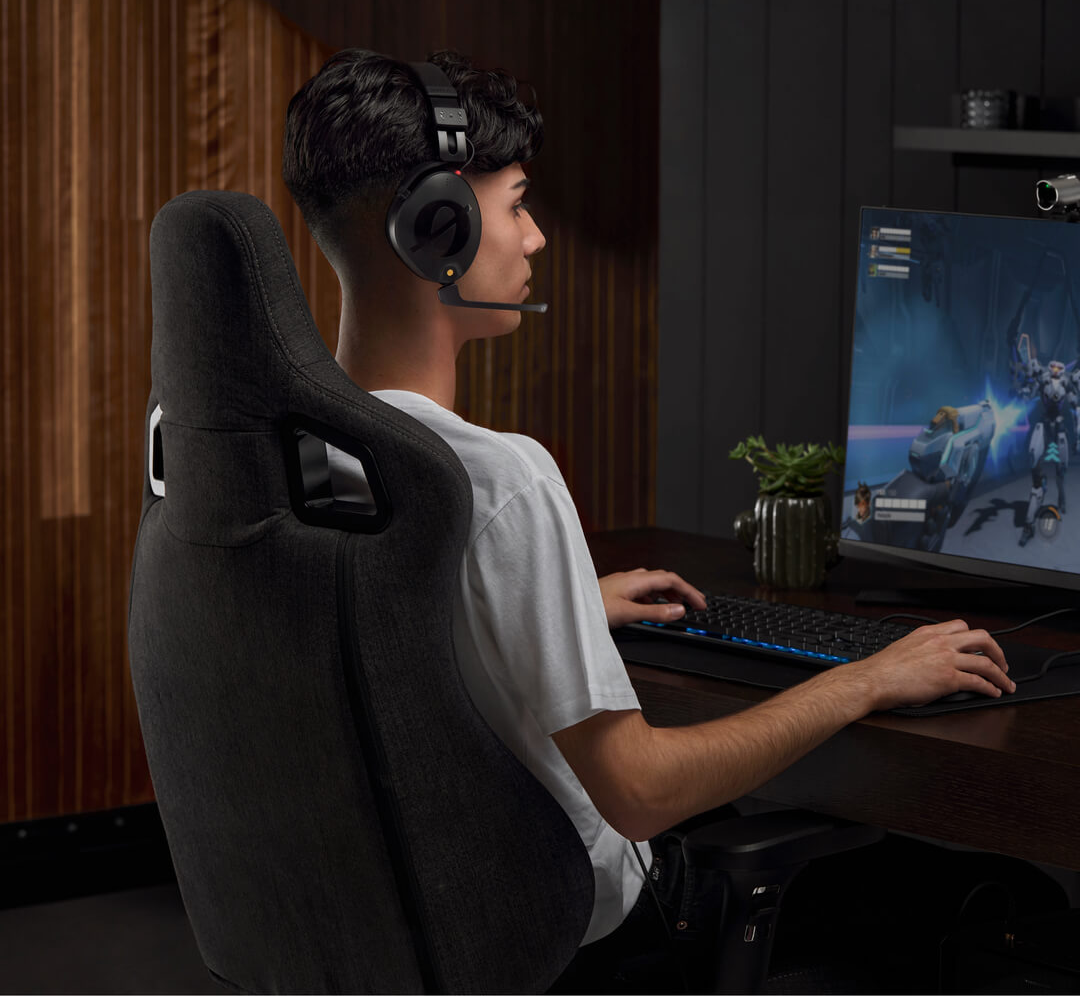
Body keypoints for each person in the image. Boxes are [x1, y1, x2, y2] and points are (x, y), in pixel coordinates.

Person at [281, 48, 1015, 983]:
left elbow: (385, 642)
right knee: (970, 892)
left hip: (412, 926)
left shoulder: (293, 447)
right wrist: (868, 678)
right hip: (584, 933)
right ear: (439, 229)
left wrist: (558, 599)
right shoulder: (502, 480)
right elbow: (638, 794)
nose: (536, 237)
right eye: (514, 205)